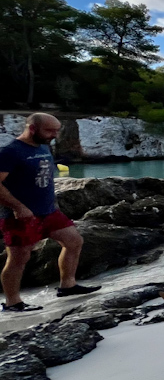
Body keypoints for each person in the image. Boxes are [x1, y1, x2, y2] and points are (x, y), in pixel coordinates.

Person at [0, 113, 100, 312]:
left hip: (49, 211)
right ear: (32, 128)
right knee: (19, 258)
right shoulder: (10, 152)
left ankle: (68, 286)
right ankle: (12, 302)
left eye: (56, 130)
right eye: (50, 130)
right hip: (20, 215)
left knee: (73, 241)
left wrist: (52, 203)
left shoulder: (44, 146)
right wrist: (18, 207)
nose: (54, 134)